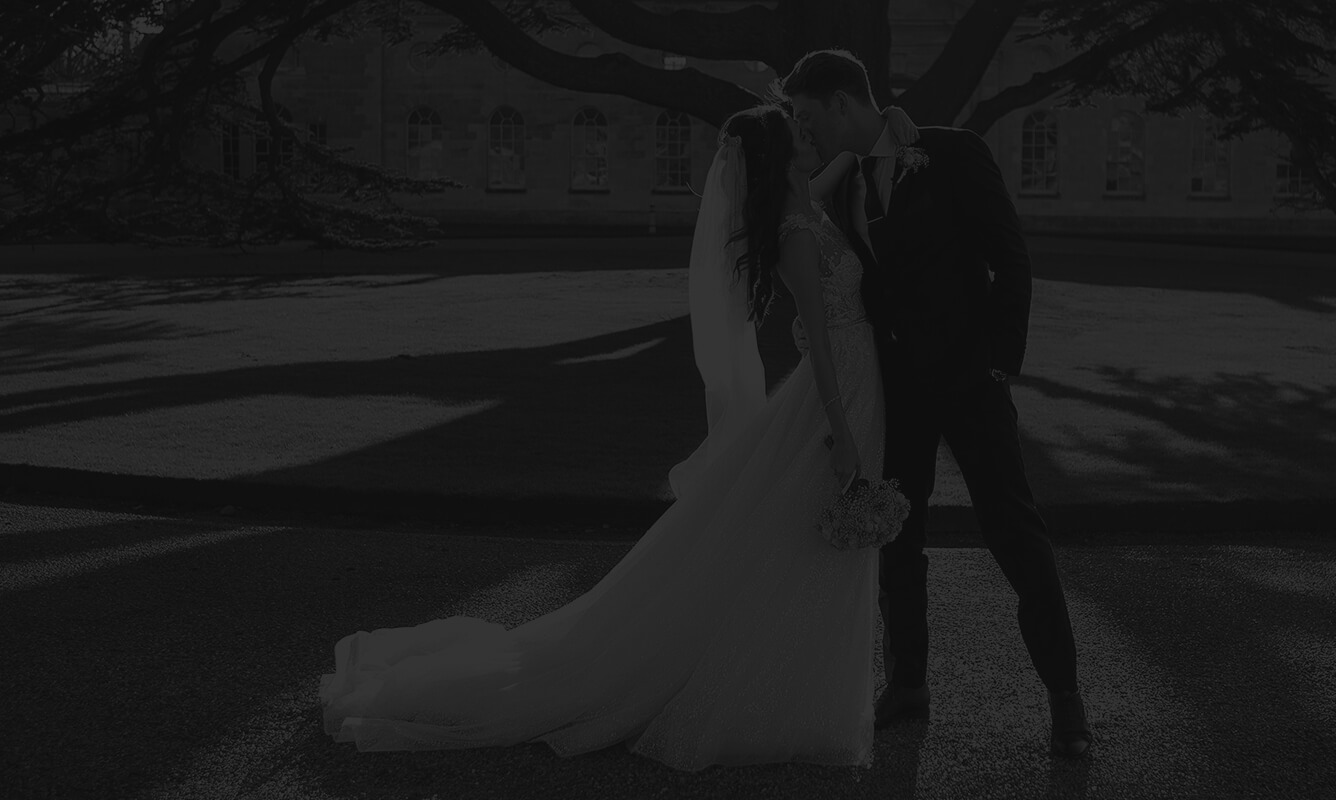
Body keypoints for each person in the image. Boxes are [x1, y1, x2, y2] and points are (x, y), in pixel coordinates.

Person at [318, 102, 912, 771]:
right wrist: (840, 431)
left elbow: (841, 167)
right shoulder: (798, 231)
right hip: (836, 393)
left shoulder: (803, 198)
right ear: (781, 158)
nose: (816, 137)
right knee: (807, 537)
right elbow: (823, 342)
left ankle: (797, 686)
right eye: (801, 135)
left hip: (857, 384)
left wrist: (885, 136)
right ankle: (770, 695)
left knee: (793, 537)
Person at [782, 49, 1094, 758]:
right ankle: (909, 684)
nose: (807, 132)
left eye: (809, 116)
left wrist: (995, 366)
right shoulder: (844, 184)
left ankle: (1067, 699)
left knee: (1014, 531)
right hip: (901, 390)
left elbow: (1011, 259)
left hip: (969, 381)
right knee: (899, 535)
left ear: (841, 103)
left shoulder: (953, 154)